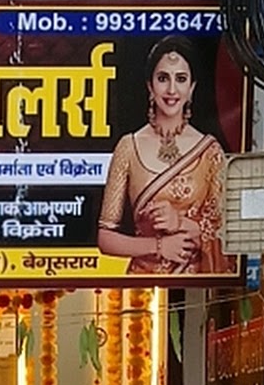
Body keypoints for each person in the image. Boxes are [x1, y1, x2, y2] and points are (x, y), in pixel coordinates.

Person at [97, 36, 233, 275]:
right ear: (150, 86)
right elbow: (105, 238)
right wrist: (158, 246)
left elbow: (227, 234)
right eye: (163, 78)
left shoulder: (210, 151)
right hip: (142, 284)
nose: (171, 90)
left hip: (196, 283)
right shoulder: (128, 147)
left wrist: (180, 222)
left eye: (181, 79)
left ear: (191, 88)